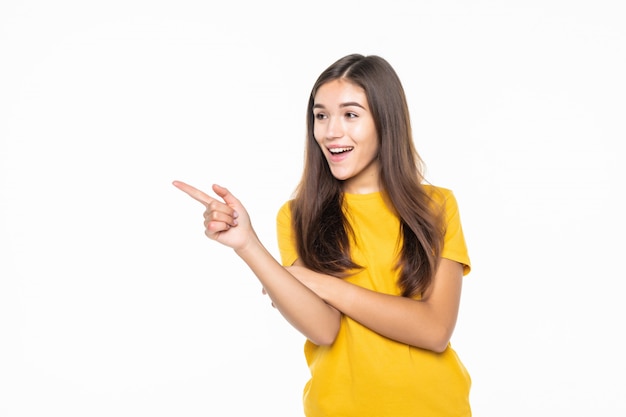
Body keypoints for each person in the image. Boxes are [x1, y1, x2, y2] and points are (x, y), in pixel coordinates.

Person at [173, 53, 472, 417]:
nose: (331, 131)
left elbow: (435, 329)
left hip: (435, 407)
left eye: (350, 114)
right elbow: (324, 329)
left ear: (385, 120)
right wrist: (248, 245)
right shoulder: (298, 216)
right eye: (321, 115)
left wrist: (319, 283)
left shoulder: (436, 205)